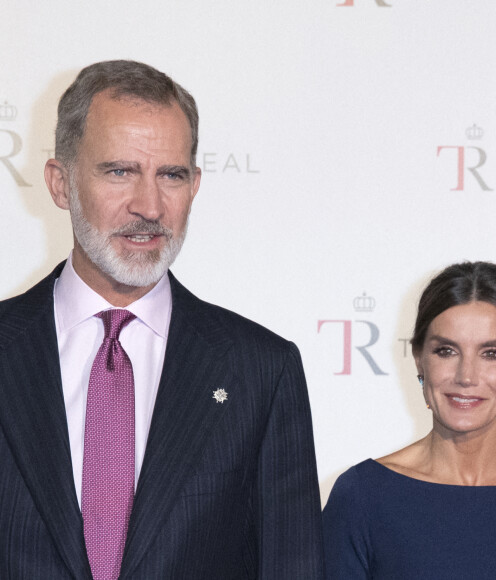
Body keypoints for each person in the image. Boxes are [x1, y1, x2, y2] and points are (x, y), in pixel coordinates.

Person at [0, 60, 323, 579]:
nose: (149, 206)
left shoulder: (261, 370)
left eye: (170, 175)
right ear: (61, 184)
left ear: (194, 185)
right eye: (120, 171)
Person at [323, 261, 496, 579]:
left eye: (491, 354)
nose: (466, 376)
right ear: (419, 358)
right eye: (446, 350)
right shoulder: (363, 495)